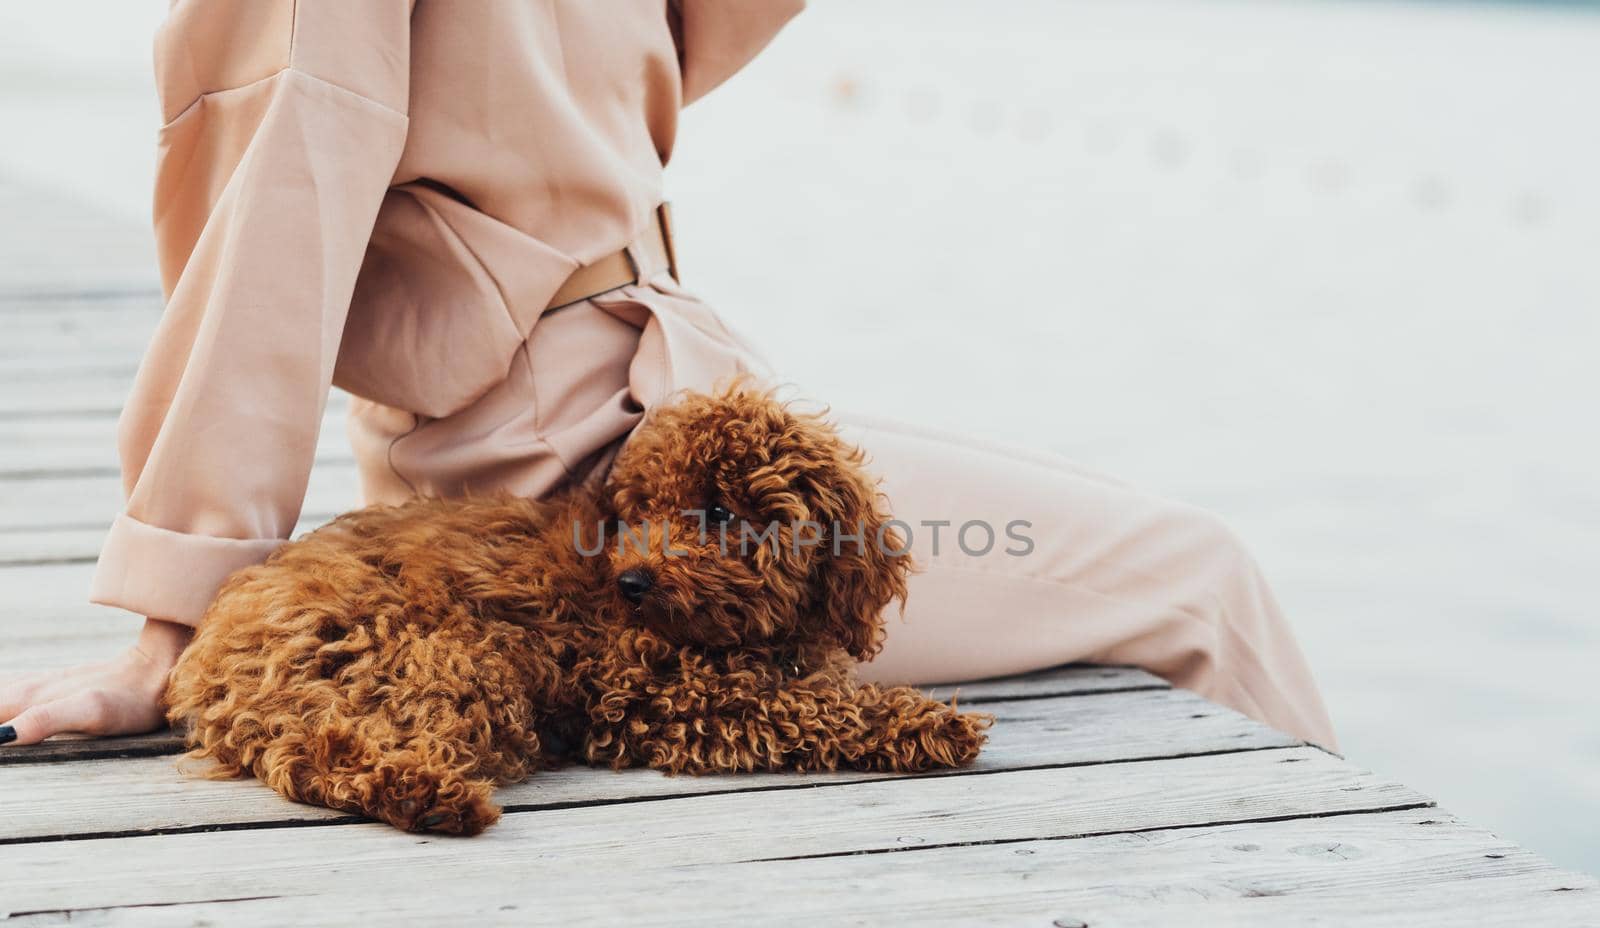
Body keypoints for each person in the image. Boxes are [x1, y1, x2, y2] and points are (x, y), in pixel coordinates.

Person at [0, 0, 1337, 751]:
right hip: (561, 460)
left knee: (1184, 567)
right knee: (1198, 579)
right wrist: (177, 619)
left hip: (671, 395)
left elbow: (687, 47)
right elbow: (268, 228)